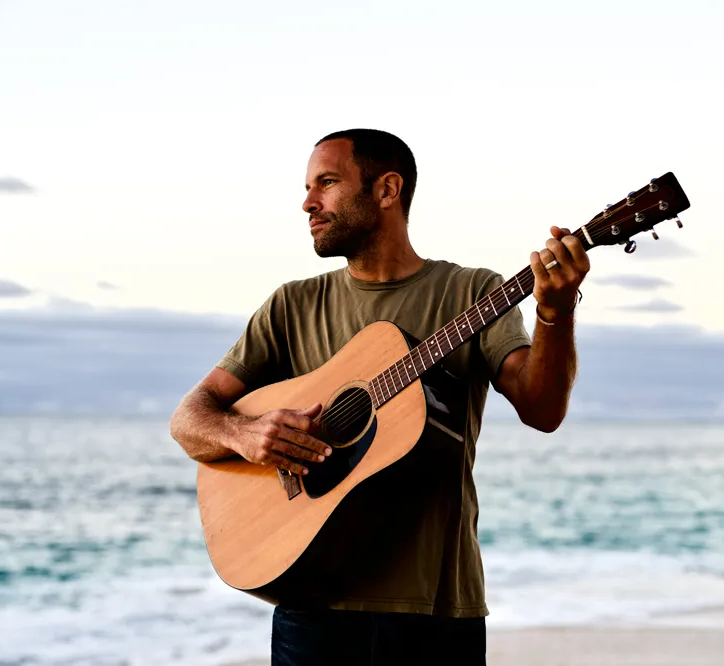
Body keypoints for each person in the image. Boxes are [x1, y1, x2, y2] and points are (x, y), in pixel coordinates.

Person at [170, 129, 589, 665]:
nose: (307, 203)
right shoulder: (292, 306)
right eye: (307, 187)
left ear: (387, 190)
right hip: (310, 601)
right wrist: (246, 434)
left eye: (326, 183)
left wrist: (556, 312)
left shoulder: (472, 293)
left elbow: (543, 410)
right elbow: (189, 417)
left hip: (434, 609)